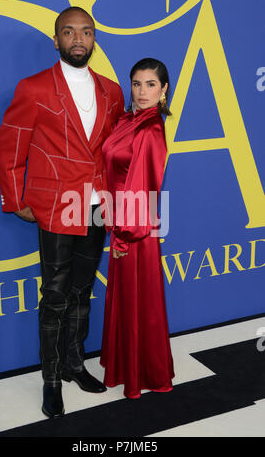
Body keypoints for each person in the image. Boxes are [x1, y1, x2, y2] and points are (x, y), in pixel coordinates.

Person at [0, 6, 124, 418]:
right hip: (56, 206)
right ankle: (51, 379)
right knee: (54, 296)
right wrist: (17, 201)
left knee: (82, 292)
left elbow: (114, 152)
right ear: (56, 40)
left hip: (96, 207)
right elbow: (9, 146)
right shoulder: (34, 88)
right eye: (69, 32)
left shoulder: (112, 90)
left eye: (86, 32)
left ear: (94, 39)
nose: (78, 39)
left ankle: (73, 363)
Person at [100, 58, 174, 399]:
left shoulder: (150, 129)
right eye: (136, 83)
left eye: (150, 85)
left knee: (138, 301)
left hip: (134, 233)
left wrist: (125, 235)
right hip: (119, 224)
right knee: (130, 302)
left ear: (163, 90)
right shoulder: (128, 121)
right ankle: (129, 367)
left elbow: (143, 188)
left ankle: (143, 374)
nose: (142, 91)